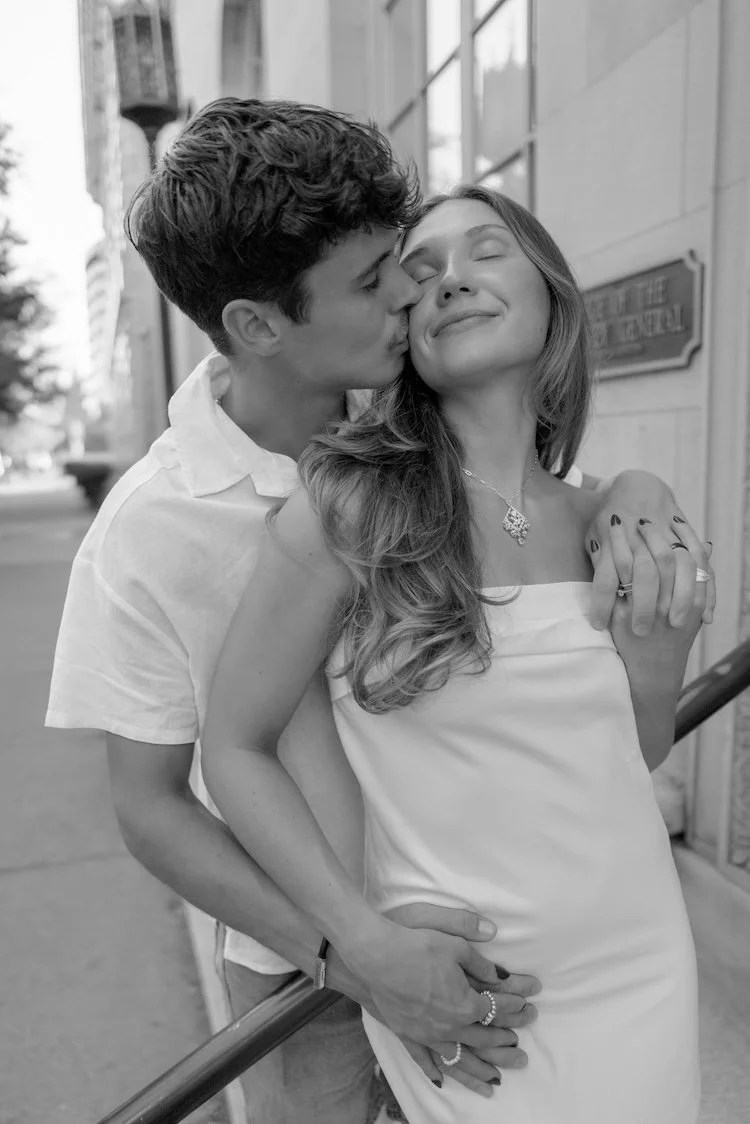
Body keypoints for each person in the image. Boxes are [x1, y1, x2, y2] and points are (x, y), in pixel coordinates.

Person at [46, 99, 709, 1123]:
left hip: (556, 946)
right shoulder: (162, 529)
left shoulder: (407, 399)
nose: (417, 286)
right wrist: (351, 947)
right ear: (263, 327)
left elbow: (576, 683)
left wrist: (634, 495)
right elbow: (154, 803)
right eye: (378, 277)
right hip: (309, 963)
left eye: (407, 257)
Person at [201, 184, 705, 1124]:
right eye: (419, 274)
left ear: (551, 290)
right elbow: (234, 744)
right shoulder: (349, 506)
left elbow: (631, 755)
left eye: (486, 252)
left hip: (641, 961)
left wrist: (661, 649)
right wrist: (358, 944)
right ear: (404, 333)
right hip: (471, 992)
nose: (450, 281)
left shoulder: (608, 517)